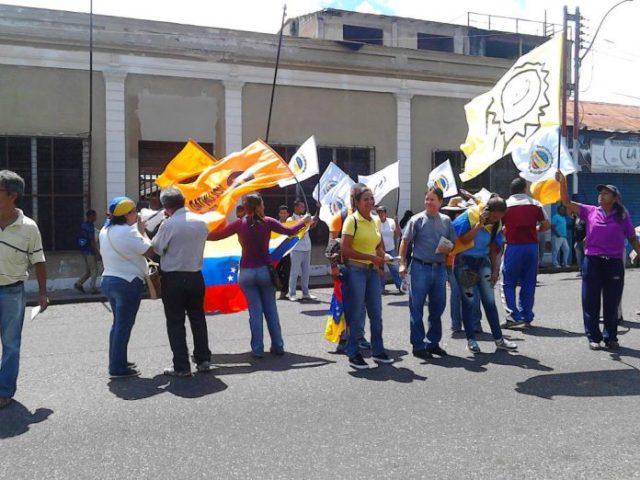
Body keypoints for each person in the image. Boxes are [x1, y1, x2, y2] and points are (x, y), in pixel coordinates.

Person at [208, 193, 310, 357]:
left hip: (247, 272)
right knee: (271, 310)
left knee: (255, 312)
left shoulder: (239, 224)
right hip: (265, 271)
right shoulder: (268, 222)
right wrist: (304, 221)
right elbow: (290, 230)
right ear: (259, 206)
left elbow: (215, 236)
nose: (264, 207)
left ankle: (257, 349)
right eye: (262, 204)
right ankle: (278, 346)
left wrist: (200, 230)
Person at [556, 171, 640, 350]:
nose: (601, 195)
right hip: (593, 262)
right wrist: (562, 182)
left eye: (606, 193)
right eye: (600, 192)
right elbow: (566, 202)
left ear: (615, 198)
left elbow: (632, 237)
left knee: (612, 302)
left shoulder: (622, 215)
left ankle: (610, 337)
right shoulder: (590, 211)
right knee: (590, 301)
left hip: (614, 263)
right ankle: (594, 337)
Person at [152, 187, 214, 376]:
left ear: (166, 207)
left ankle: (181, 365)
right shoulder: (201, 221)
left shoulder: (169, 224)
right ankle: (203, 359)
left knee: (175, 322)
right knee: (198, 318)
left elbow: (156, 248)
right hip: (196, 275)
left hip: (174, 277)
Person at [0, 170, 48, 409]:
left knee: (10, 344)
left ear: (13, 196)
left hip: (12, 292)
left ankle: (4, 391)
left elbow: (38, 261)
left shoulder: (28, 227)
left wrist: (42, 293)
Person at [453, 196, 518, 354]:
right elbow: (463, 239)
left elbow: (492, 248)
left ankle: (499, 339)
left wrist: (495, 270)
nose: (496, 219)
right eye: (495, 216)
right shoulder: (471, 216)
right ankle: (471, 340)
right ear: (487, 210)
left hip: (483, 262)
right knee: (468, 302)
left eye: (500, 217)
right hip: (465, 262)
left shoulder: (497, 223)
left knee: (489, 302)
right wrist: (479, 224)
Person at [399, 187, 456, 359]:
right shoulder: (417, 220)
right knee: (416, 308)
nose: (429, 202)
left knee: (438, 307)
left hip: (439, 269)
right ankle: (418, 345)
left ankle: (433, 343)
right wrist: (402, 264)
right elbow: (404, 242)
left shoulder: (446, 220)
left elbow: (453, 243)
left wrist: (447, 250)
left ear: (440, 202)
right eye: (427, 199)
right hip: (420, 268)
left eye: (432, 199)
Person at [100, 196, 153, 379]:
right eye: (133, 211)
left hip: (109, 279)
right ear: (126, 215)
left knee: (118, 325)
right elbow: (150, 250)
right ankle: (117, 367)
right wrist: (141, 231)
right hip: (127, 282)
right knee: (124, 325)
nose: (136, 214)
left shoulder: (105, 230)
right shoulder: (129, 233)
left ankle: (118, 360)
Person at [341, 187, 393, 369]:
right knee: (355, 313)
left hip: (372, 272)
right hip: (355, 270)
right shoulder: (351, 221)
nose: (370, 202)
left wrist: (383, 259)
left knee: (376, 313)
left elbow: (377, 245)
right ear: (357, 202)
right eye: (366, 199)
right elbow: (345, 250)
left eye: (372, 199)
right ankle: (353, 352)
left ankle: (378, 351)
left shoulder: (375, 221)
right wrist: (371, 258)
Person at [500, 177, 550, 328]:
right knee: (529, 282)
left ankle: (513, 316)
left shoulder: (505, 205)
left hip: (513, 246)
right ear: (524, 189)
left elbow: (499, 227)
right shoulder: (535, 204)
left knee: (507, 282)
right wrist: (536, 230)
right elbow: (546, 225)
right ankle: (526, 316)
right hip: (531, 247)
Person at [328, 183, 372, 352]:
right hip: (345, 268)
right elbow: (331, 246)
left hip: (364, 268)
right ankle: (343, 338)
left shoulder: (370, 217)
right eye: (356, 196)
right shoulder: (341, 216)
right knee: (343, 303)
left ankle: (359, 337)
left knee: (361, 305)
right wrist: (333, 267)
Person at [441, 197, 482, 334]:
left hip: (450, 261)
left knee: (457, 293)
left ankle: (456, 324)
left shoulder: (446, 224)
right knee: (471, 291)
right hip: (464, 260)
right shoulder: (468, 223)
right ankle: (475, 323)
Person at [287, 199, 318, 301]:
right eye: (301, 206)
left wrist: (318, 208)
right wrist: (305, 220)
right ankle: (292, 293)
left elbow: (314, 222)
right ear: (296, 207)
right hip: (296, 248)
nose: (303, 208)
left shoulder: (305, 217)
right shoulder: (290, 219)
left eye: (304, 207)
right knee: (294, 272)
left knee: (306, 272)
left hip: (307, 247)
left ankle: (306, 293)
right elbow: (295, 230)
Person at [74, 209, 101, 294]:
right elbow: (92, 241)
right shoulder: (89, 227)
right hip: (89, 251)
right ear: (91, 216)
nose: (96, 217)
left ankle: (79, 283)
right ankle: (93, 288)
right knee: (94, 270)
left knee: (89, 271)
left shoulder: (84, 225)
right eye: (95, 215)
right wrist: (97, 253)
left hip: (84, 250)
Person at [376, 205, 402, 294]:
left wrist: (397, 222)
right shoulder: (375, 222)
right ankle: (381, 288)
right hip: (379, 250)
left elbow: (398, 233)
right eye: (379, 212)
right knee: (380, 269)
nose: (380, 214)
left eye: (382, 212)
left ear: (385, 213)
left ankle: (400, 286)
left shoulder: (391, 222)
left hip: (390, 249)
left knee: (394, 269)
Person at [275, 205, 292, 300]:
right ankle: (281, 287)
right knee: (275, 271)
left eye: (284, 213)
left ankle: (284, 292)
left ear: (287, 214)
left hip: (288, 251)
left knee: (286, 272)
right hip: (277, 252)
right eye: (281, 213)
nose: (283, 215)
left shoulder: (291, 223)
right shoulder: (275, 224)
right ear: (279, 214)